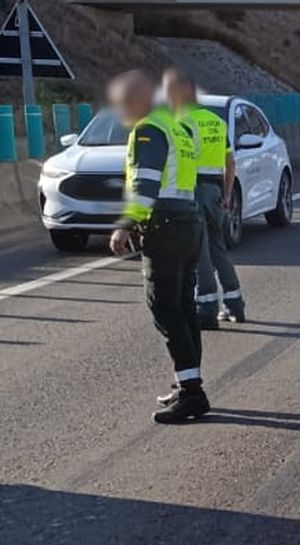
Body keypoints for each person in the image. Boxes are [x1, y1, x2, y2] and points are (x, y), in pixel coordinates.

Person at [107, 70, 206, 424]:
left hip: (165, 227)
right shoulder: (177, 127)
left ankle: (193, 394)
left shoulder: (149, 129)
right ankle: (188, 382)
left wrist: (125, 225)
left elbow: (146, 185)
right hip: (188, 222)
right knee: (183, 306)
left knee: (165, 308)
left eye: (123, 102)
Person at [163, 68, 243, 328]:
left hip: (194, 191)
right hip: (217, 190)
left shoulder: (183, 123)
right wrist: (228, 195)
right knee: (219, 248)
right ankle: (234, 305)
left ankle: (207, 309)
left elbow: (178, 163)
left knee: (201, 252)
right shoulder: (216, 122)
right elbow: (230, 162)